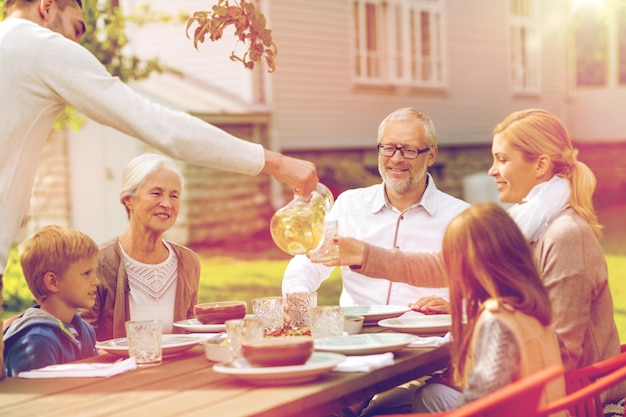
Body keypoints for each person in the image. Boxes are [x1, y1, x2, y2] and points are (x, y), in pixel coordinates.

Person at [0, 0, 317, 377]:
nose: (77, 44)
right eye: (77, 29)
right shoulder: (40, 46)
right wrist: (276, 163)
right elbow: (160, 126)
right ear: (46, 6)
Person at [333, 108, 624, 408]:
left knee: (415, 400)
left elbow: (559, 352)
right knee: (388, 406)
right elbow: (446, 266)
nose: (492, 171)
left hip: (569, 399)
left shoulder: (565, 235)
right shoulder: (527, 222)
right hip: (530, 384)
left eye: (502, 159)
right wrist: (365, 255)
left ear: (540, 165)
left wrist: (467, 368)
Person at [281, 107, 469, 307]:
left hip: (425, 335)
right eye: (388, 148)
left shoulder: (461, 217)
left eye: (409, 150)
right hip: (359, 333)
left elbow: (484, 288)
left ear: (431, 156)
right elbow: (310, 260)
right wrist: (297, 293)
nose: (396, 158)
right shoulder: (349, 205)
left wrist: (457, 307)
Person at [411, 202, 567, 414]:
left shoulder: (496, 318)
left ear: (469, 264)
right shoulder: (532, 308)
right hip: (547, 410)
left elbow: (482, 396)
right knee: (430, 394)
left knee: (421, 398)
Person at [80, 154, 199, 341]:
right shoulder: (99, 261)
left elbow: (192, 331)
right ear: (129, 200)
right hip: (118, 368)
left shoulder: (188, 262)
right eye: (156, 193)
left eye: (174, 195)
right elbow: (84, 340)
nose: (167, 204)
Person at [3, 225, 100, 377]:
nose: (97, 281)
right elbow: (32, 397)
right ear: (53, 282)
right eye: (86, 273)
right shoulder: (37, 341)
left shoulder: (85, 330)